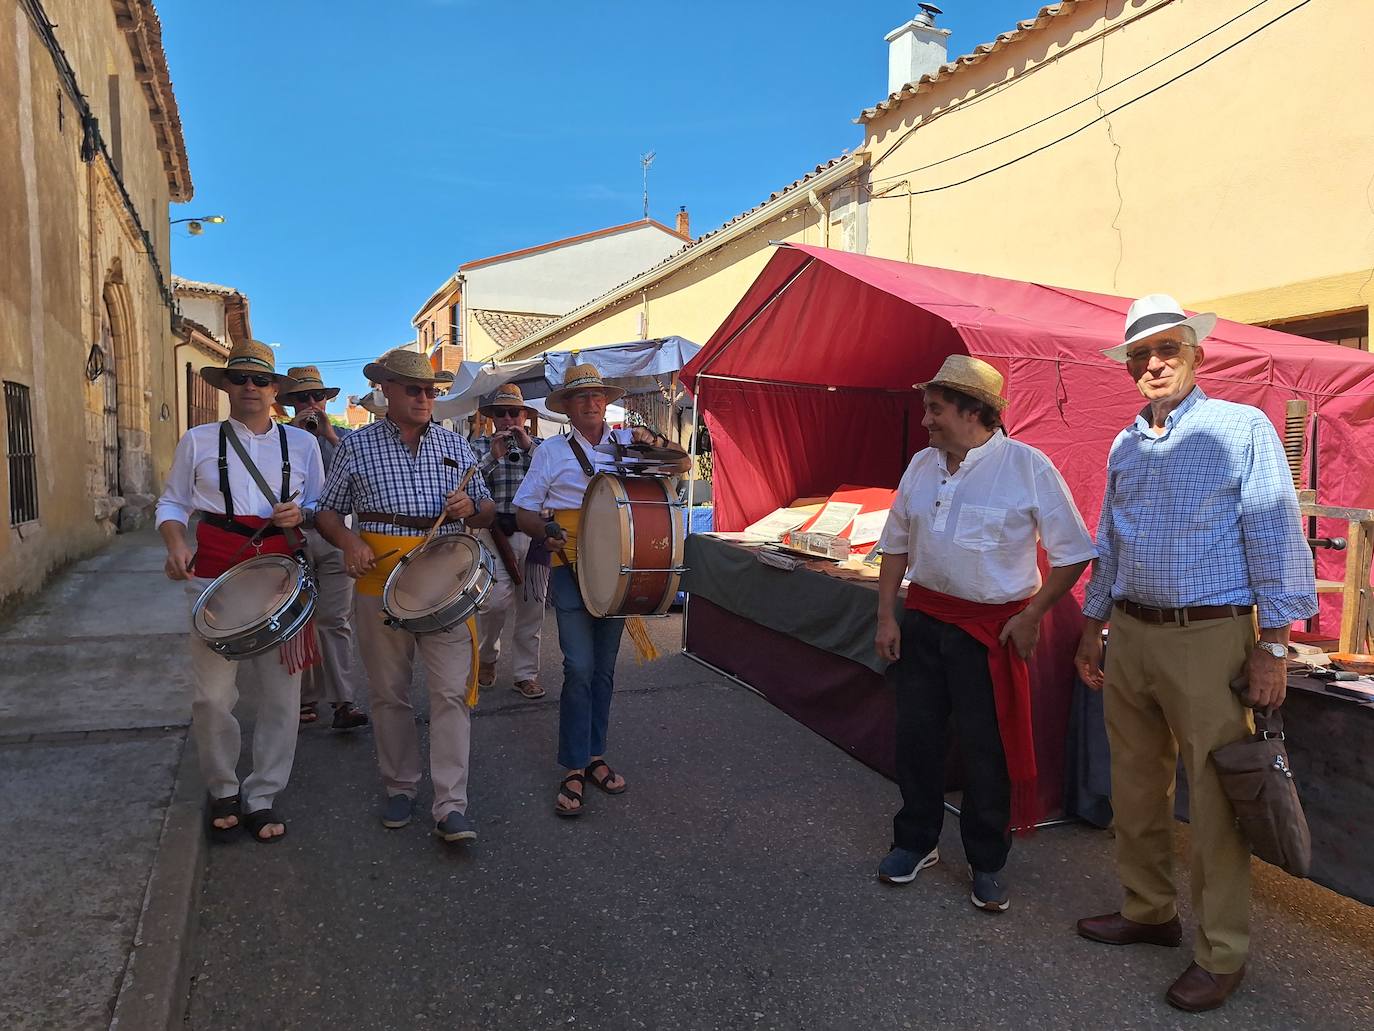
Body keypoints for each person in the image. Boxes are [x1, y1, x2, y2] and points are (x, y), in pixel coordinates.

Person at [1072, 295, 1317, 1012]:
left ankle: (1222, 951)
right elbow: (1110, 540)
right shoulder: (1124, 444)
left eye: (1167, 349)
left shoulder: (1240, 428)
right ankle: (1149, 909)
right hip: (1134, 631)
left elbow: (1274, 530)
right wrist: (1093, 622)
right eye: (1139, 355)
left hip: (1211, 636)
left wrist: (1273, 643)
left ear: (1195, 353)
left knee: (1215, 798)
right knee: (1136, 784)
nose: (1152, 363)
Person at [873, 355, 1095, 910]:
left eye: (935, 408)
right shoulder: (921, 466)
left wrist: (1031, 615)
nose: (925, 419)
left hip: (990, 634)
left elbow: (1073, 554)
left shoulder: (1027, 466)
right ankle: (916, 841)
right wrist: (884, 616)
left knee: (985, 752)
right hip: (923, 622)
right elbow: (895, 543)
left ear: (974, 412)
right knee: (917, 741)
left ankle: (986, 860)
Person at [314, 349, 496, 844]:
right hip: (378, 581)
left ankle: (451, 804)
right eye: (412, 389)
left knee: (450, 692)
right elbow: (327, 513)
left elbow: (486, 511)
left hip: (446, 581)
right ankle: (399, 786)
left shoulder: (458, 446)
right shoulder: (356, 447)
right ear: (386, 391)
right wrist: (349, 541)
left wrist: (471, 505)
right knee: (389, 693)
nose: (423, 398)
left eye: (430, 391)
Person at [156, 341, 324, 844]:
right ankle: (223, 787)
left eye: (260, 380)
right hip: (215, 576)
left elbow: (322, 505)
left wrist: (305, 515)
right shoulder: (198, 440)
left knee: (279, 696)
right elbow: (172, 502)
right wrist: (175, 544)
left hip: (280, 578)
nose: (249, 387)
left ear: (275, 390)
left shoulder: (303, 444)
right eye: (239, 379)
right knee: (210, 697)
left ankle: (264, 793)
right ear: (226, 386)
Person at [513, 364, 689, 817]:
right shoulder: (550, 453)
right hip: (571, 563)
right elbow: (524, 512)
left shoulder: (627, 442)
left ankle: (594, 755)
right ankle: (573, 764)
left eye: (597, 396)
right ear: (568, 408)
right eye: (581, 397)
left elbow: (684, 464)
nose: (591, 403)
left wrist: (659, 443)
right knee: (579, 666)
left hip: (619, 567)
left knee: (605, 670)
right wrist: (546, 530)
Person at [281, 365, 368, 731]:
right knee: (298, 621)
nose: (311, 404)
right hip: (289, 537)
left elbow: (361, 474)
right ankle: (304, 698)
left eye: (316, 396)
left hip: (333, 535)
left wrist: (330, 436)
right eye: (302, 398)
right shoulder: (277, 439)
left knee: (335, 619)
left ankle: (344, 701)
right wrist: (295, 439)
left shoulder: (345, 439)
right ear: (290, 405)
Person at [469, 384, 546, 699]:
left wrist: (528, 447)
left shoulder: (541, 448)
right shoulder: (476, 447)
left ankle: (525, 674)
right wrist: (492, 457)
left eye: (514, 412)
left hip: (536, 535)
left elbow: (551, 479)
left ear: (524, 416)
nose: (507, 418)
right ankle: (487, 657)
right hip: (495, 534)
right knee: (493, 603)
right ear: (491, 418)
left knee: (533, 607)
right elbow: (469, 487)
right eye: (501, 413)